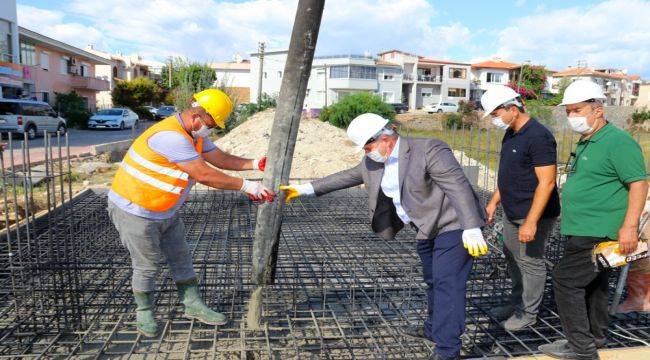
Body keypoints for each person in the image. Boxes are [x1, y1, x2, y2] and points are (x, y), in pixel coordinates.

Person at [280, 113, 488, 360]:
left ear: (385, 137)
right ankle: (434, 329)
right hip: (425, 228)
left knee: (448, 285)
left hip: (455, 225)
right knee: (433, 281)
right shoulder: (374, 161)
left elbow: (457, 185)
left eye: (368, 146)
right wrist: (304, 188)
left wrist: (471, 226)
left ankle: (447, 350)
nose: (367, 152)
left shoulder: (428, 149)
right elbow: (346, 177)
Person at [107, 89, 275, 337]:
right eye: (211, 124)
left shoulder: (193, 134)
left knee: (181, 257)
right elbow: (204, 174)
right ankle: (144, 311)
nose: (212, 129)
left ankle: (193, 305)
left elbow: (219, 158)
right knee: (147, 264)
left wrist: (253, 164)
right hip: (136, 210)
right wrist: (247, 186)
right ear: (198, 115)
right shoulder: (169, 136)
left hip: (166, 210)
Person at [538, 80, 648, 359]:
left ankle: (581, 348)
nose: (571, 116)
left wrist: (629, 226)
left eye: (576, 110)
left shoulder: (618, 142)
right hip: (583, 227)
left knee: (565, 279)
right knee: (595, 284)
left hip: (600, 230)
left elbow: (638, 183)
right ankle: (595, 337)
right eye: (568, 111)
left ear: (597, 110)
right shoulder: (589, 140)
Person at [481, 85, 560, 330]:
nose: (494, 120)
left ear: (512, 109)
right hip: (513, 211)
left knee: (530, 261)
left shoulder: (539, 136)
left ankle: (528, 313)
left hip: (533, 214)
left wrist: (531, 221)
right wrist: (494, 201)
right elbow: (509, 175)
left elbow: (547, 183)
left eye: (495, 114)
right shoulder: (512, 133)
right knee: (513, 258)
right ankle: (517, 302)